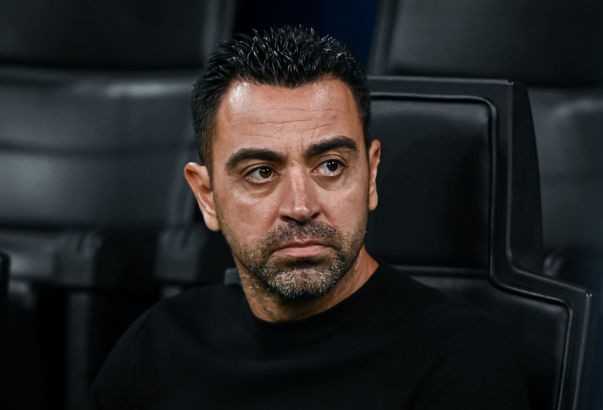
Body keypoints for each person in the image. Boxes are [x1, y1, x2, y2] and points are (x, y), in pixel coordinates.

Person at [89, 26, 529, 409]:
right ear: (207, 196)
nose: (300, 206)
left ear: (371, 175)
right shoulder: (155, 348)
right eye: (261, 172)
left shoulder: (461, 360)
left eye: (330, 166)